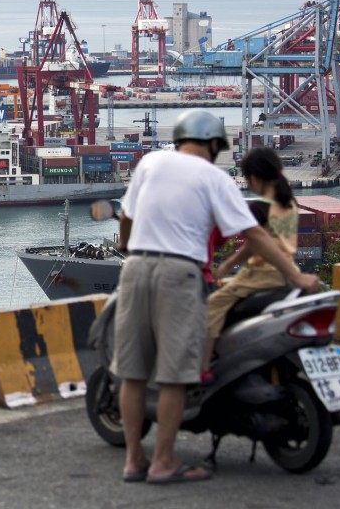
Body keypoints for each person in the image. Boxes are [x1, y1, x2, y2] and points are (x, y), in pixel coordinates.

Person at [112, 111, 320, 485]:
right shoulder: (216, 178)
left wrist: (127, 245)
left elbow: (127, 215)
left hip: (135, 269)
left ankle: (133, 460)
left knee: (132, 372)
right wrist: (296, 275)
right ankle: (162, 462)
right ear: (212, 144)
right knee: (176, 376)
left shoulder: (149, 162)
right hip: (180, 274)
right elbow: (255, 236)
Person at [201, 147, 301, 383]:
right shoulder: (288, 201)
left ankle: (202, 368)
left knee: (211, 307)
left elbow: (255, 241)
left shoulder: (258, 208)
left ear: (254, 178)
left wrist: (225, 261)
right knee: (225, 283)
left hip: (262, 275)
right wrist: (227, 266)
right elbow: (259, 243)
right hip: (287, 271)